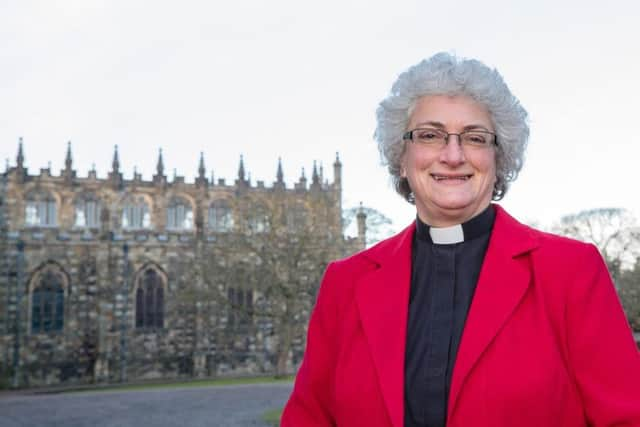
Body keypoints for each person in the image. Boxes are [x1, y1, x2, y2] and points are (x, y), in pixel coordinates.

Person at [280, 52, 640, 427]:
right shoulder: (346, 282)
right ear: (402, 158)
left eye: (474, 137)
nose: (453, 155)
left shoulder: (570, 271)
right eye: (430, 135)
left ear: (498, 159)